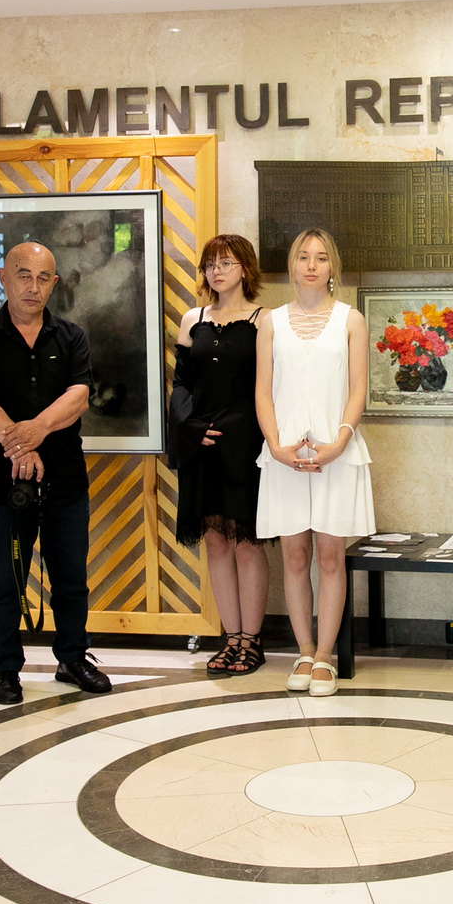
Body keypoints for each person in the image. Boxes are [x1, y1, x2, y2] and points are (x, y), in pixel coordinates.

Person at [0, 241, 110, 704]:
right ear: (4, 278)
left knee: (70, 578)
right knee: (5, 579)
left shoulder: (71, 336)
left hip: (65, 478)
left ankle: (73, 658)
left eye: (43, 278)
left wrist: (36, 431)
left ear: (54, 284)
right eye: (24, 275)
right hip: (3, 481)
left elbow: (78, 397)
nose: (33, 286)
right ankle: (4, 668)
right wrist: (20, 448)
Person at [254, 228, 373, 698]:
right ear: (292, 264)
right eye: (303, 256)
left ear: (332, 267)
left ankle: (325, 656)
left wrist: (340, 440)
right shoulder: (270, 322)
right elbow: (263, 392)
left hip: (335, 453)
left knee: (328, 556)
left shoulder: (351, 320)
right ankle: (303, 651)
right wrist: (275, 444)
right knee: (294, 555)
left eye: (321, 258)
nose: (311, 265)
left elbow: (358, 390)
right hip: (284, 454)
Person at [173, 233, 270, 675]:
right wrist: (191, 428)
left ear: (245, 268)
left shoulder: (263, 319)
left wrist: (245, 428)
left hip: (246, 444)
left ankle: (252, 641)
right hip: (201, 444)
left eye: (226, 263)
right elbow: (182, 385)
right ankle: (230, 639)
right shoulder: (192, 319)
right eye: (210, 264)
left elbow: (267, 387)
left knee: (246, 543)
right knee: (215, 541)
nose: (217, 271)